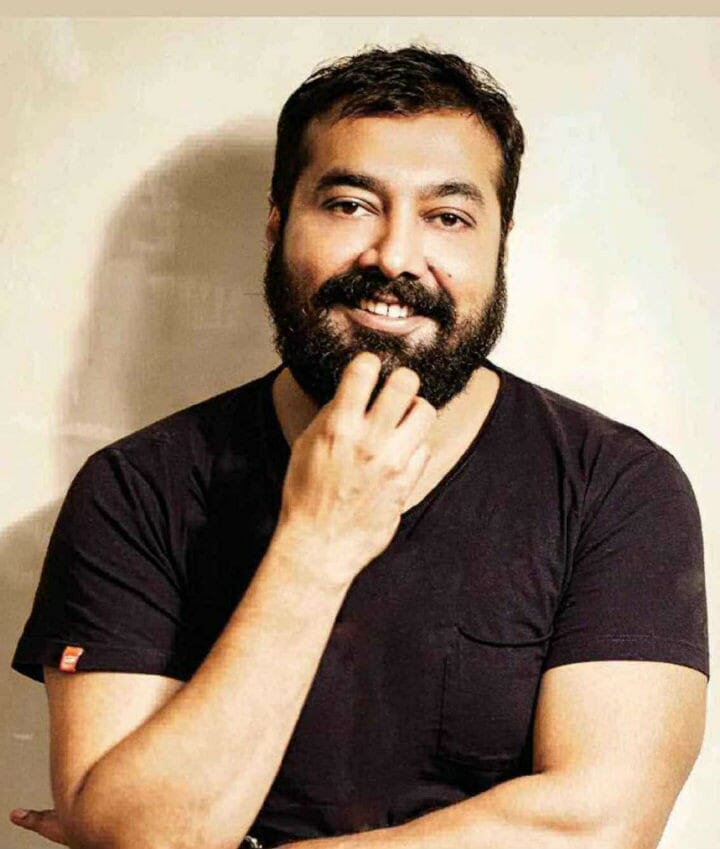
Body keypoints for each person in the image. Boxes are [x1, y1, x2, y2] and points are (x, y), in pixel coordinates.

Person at [10, 45, 708, 849]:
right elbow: (140, 836)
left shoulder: (616, 487)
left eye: (448, 217)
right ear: (277, 224)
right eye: (349, 205)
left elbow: (599, 825)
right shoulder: (136, 488)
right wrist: (316, 544)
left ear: (500, 244)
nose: (395, 257)